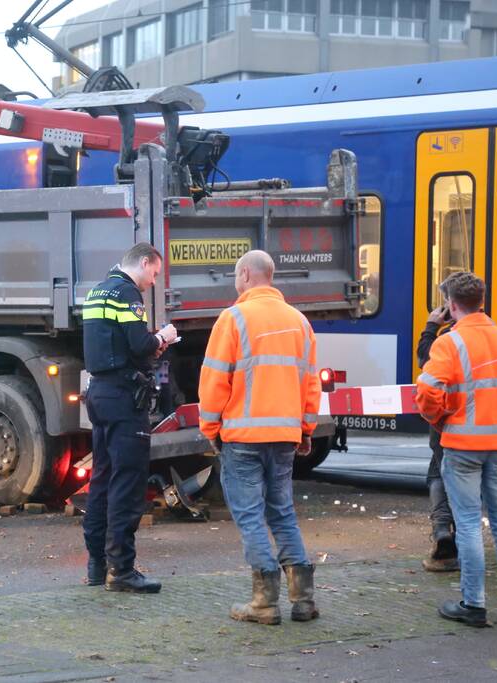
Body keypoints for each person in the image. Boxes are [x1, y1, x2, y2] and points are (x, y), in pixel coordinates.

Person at [198, 250, 321, 626]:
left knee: (250, 515)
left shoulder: (233, 319)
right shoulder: (299, 322)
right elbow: (311, 383)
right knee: (282, 511)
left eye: (236, 276)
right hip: (284, 436)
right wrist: (306, 429)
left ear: (247, 275)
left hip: (243, 437)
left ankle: (265, 602)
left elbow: (215, 380)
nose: (236, 283)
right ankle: (303, 599)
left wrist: (210, 428)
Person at [416, 271, 497, 628]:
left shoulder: (448, 343)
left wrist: (440, 418)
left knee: (467, 524)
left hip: (462, 445)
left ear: (451, 306)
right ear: (481, 301)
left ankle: (474, 605)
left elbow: (427, 392)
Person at [81, 242, 177, 594]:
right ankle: (121, 569)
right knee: (128, 481)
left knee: (102, 478)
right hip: (124, 398)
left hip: (99, 393)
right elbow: (139, 345)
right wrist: (163, 337)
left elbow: (113, 343)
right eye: (154, 273)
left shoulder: (97, 291)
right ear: (143, 262)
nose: (153, 281)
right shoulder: (126, 294)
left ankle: (97, 564)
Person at [416, 284, 459, 573]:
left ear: (451, 307)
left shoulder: (447, 340)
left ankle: (443, 532)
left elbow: (425, 364)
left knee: (439, 474)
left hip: (450, 425)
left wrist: (431, 327)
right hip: (493, 431)